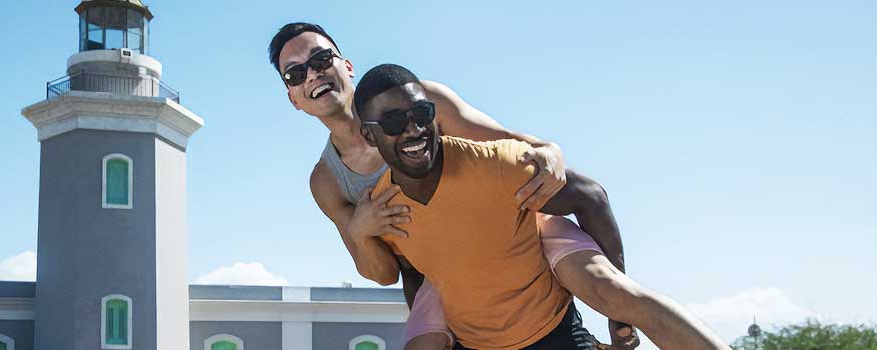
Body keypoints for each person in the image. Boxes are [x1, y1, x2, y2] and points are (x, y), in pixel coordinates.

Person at [269, 23, 635, 349]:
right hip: (441, 278)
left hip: (507, 236)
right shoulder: (327, 180)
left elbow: (505, 141)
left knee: (602, 274)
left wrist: (548, 149)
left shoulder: (421, 100)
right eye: (295, 73)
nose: (312, 75)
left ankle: (619, 323)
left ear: (346, 65)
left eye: (321, 59)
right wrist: (360, 230)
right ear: (293, 98)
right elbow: (383, 273)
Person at [356, 63, 728, 349]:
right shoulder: (384, 210)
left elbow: (590, 196)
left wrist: (617, 312)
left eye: (421, 114)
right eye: (393, 122)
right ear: (369, 135)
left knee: (635, 300)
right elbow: (412, 272)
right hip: (477, 345)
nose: (413, 129)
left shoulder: (496, 166)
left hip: (554, 334)